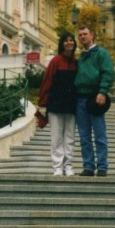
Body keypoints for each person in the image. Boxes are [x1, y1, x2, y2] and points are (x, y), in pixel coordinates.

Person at [74, 25, 115, 176]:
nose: (82, 37)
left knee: (99, 135)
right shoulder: (80, 57)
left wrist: (102, 91)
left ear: (92, 35)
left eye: (85, 34)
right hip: (80, 99)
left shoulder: (101, 53)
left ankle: (102, 166)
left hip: (95, 98)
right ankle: (88, 166)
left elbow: (108, 73)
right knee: (84, 137)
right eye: (80, 35)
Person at [37, 32, 78, 176]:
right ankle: (57, 167)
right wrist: (42, 103)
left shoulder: (76, 63)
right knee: (56, 137)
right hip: (55, 104)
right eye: (66, 41)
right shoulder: (55, 61)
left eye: (71, 40)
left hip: (71, 105)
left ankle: (68, 166)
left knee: (70, 137)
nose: (69, 43)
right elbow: (46, 82)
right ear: (62, 43)